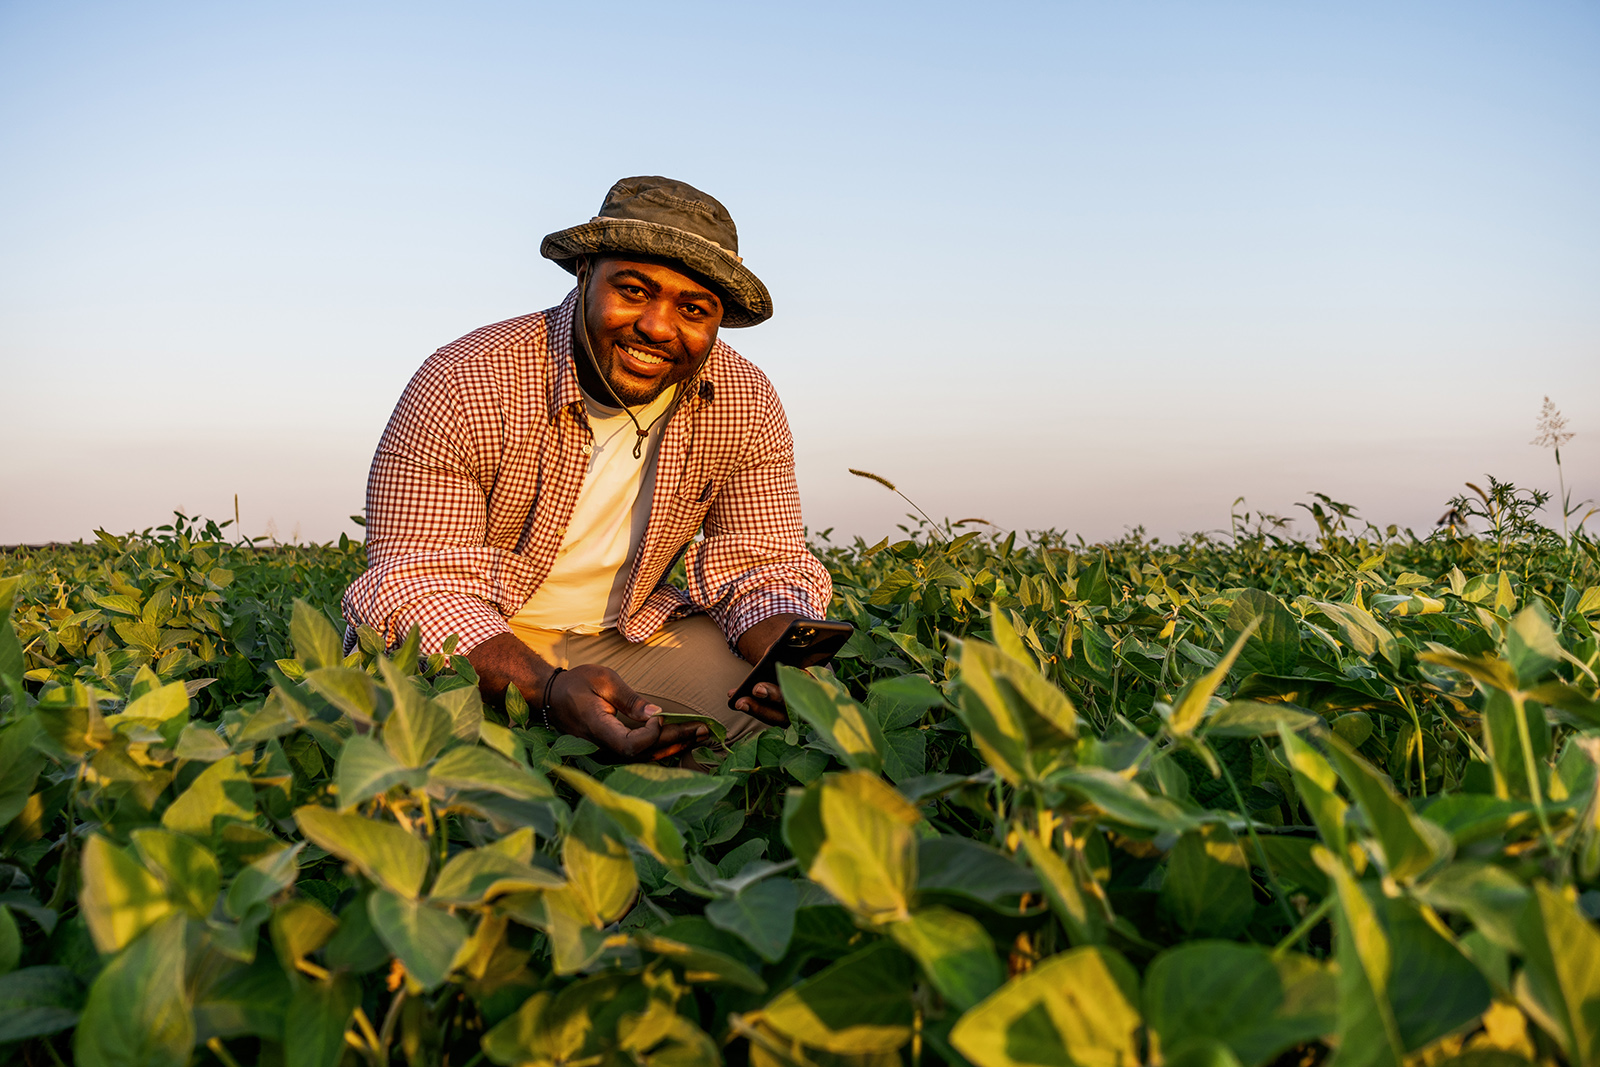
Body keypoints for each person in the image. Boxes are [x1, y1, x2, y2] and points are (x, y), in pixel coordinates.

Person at [342, 176, 832, 762]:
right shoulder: (469, 379)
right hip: (490, 628)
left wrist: (784, 656)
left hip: (628, 633)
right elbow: (416, 583)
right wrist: (546, 690)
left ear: (716, 323)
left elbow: (763, 560)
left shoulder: (741, 399)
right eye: (632, 290)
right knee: (442, 758)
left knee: (784, 720)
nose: (656, 326)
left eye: (693, 309)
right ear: (585, 276)